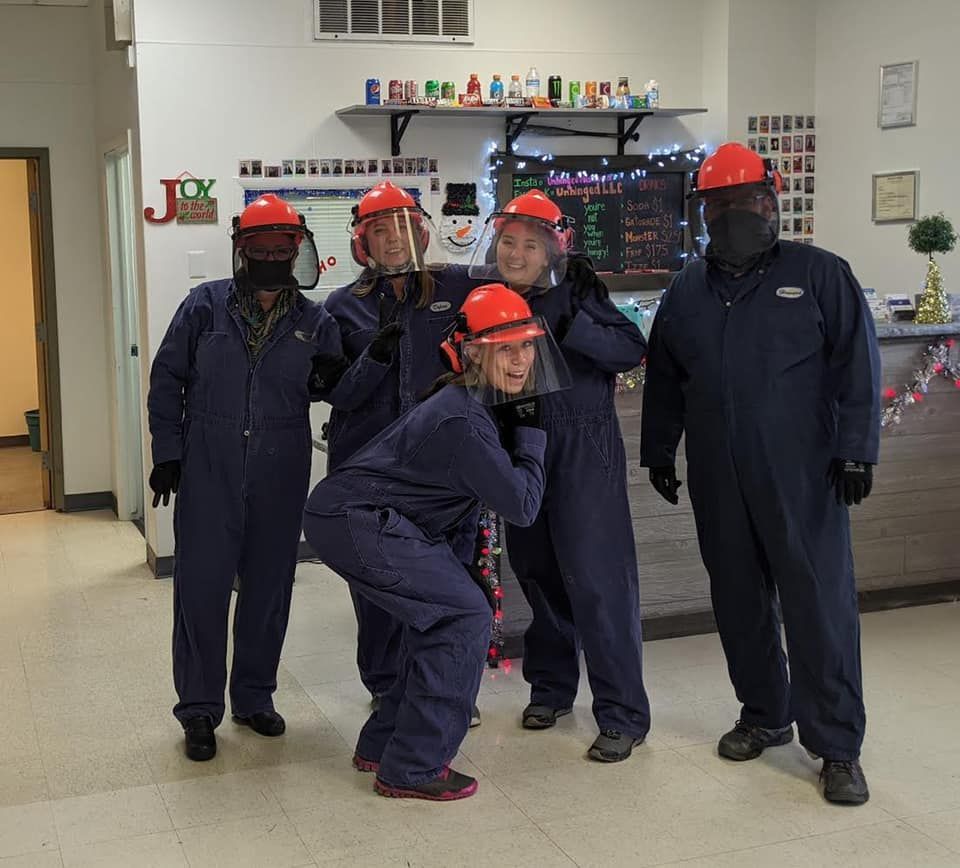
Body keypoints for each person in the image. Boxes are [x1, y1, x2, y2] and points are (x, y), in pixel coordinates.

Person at [640, 142, 881, 805]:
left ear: (772, 202)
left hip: (804, 474)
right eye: (718, 205)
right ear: (702, 213)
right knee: (739, 600)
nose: (732, 215)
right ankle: (765, 714)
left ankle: (837, 747)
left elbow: (858, 365)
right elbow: (665, 377)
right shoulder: (687, 288)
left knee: (817, 605)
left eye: (744, 201)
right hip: (719, 475)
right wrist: (659, 449)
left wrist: (858, 449)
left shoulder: (820, 273)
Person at [303, 283, 567, 800]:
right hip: (358, 519)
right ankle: (415, 767)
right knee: (464, 615)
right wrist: (532, 434)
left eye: (527, 345)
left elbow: (452, 500)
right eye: (505, 348)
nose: (521, 360)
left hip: (360, 516)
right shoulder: (463, 417)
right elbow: (522, 505)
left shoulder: (472, 403)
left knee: (435, 621)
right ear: (472, 352)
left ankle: (382, 746)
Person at [147, 194, 342, 761]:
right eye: (261, 251)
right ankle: (200, 710)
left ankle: (254, 696)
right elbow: (167, 379)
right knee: (202, 591)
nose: (272, 260)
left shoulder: (315, 321)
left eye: (282, 251)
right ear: (240, 251)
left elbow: (332, 387)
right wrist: (168, 451)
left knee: (268, 587)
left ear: (297, 252)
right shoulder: (203, 307)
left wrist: (347, 372)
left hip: (281, 466)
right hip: (208, 462)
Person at [468, 190, 651, 762]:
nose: (516, 254)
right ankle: (550, 689)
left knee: (598, 583)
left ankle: (622, 714)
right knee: (538, 574)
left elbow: (629, 350)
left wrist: (574, 323)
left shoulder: (577, 292)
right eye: (508, 242)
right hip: (520, 447)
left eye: (529, 244)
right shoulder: (487, 300)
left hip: (582, 449)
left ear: (551, 249)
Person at [310, 181, 486, 723]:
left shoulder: (460, 288)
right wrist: (376, 357)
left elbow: (518, 307)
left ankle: (446, 684)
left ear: (423, 230)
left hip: (445, 473)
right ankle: (388, 686)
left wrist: (567, 273)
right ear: (363, 242)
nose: (394, 241)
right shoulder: (340, 308)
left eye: (404, 228)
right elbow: (334, 393)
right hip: (368, 471)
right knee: (380, 586)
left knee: (451, 581)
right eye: (381, 231)